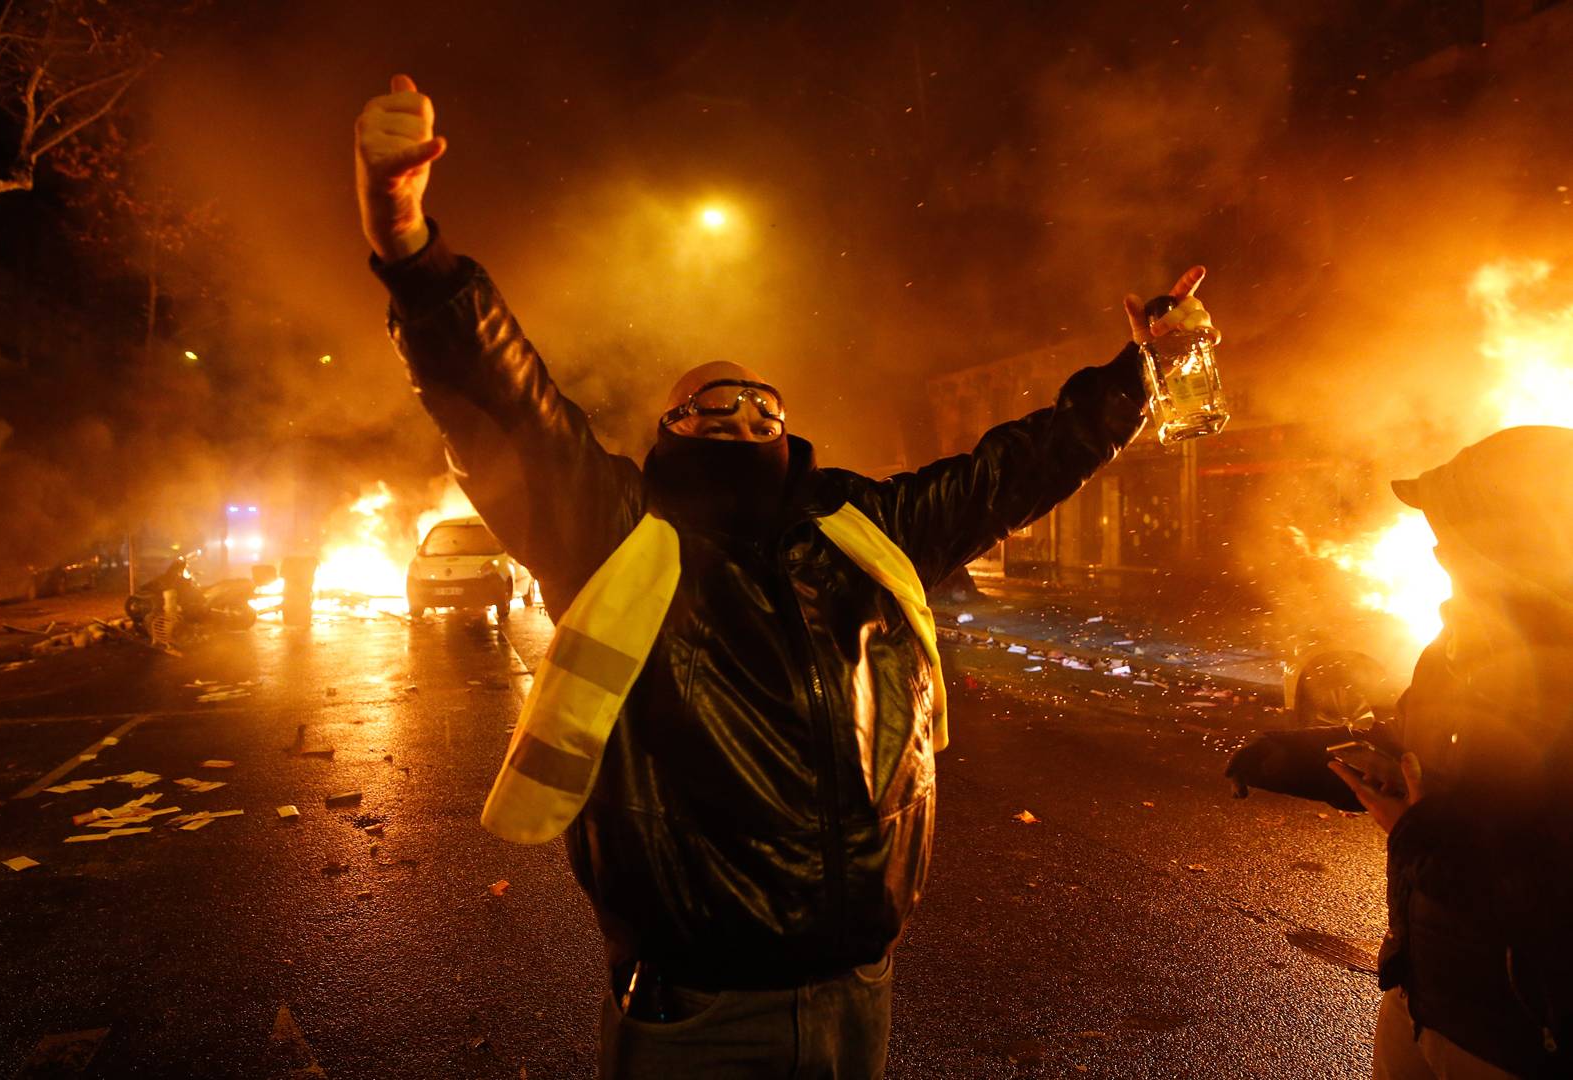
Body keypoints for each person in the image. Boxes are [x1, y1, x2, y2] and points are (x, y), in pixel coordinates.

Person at [355, 74, 1219, 1079]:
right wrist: (412, 251)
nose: (738, 414)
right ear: (668, 431)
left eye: (759, 401)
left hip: (857, 991)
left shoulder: (855, 526)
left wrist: (1136, 377)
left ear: (787, 421)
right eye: (705, 404)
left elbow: (1009, 471)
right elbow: (511, 408)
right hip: (697, 1017)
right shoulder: (620, 531)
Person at [1226, 426, 1573, 1079]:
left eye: (1454, 524)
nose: (1438, 546)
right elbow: (1410, 745)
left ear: (1518, 534)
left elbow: (1543, 882)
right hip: (1424, 996)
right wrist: (1301, 760)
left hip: (1516, 1036)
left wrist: (1417, 829)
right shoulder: (1457, 643)